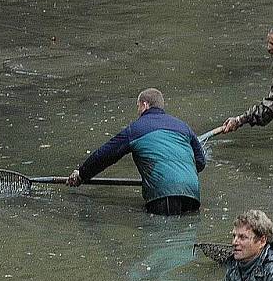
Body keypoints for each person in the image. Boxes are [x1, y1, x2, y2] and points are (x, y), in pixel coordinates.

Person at [66, 88, 206, 216]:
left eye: (138, 106)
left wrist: (82, 174)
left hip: (164, 195)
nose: (138, 111)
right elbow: (200, 162)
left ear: (145, 105)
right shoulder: (183, 126)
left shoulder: (136, 129)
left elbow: (105, 156)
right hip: (193, 193)